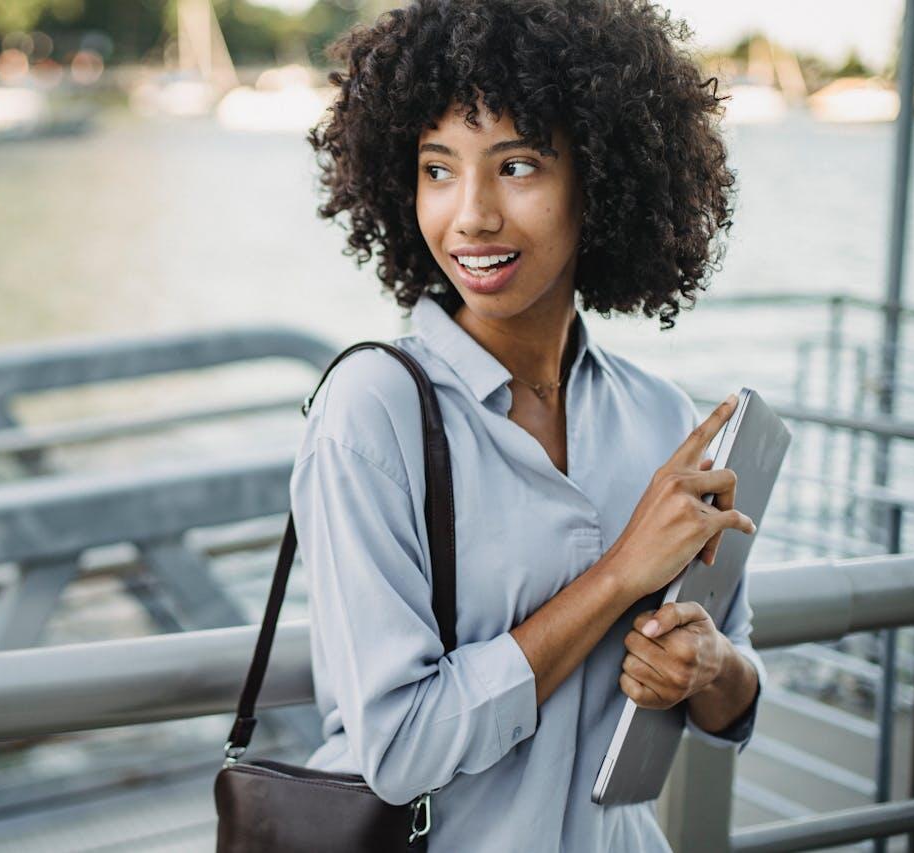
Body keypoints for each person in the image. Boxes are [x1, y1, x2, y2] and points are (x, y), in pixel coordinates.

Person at [292, 0, 766, 849]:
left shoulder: (660, 413)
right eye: (438, 169)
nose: (471, 215)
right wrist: (617, 576)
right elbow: (398, 747)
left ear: (602, 179)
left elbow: (733, 682)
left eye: (516, 166)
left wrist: (710, 666)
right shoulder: (371, 412)